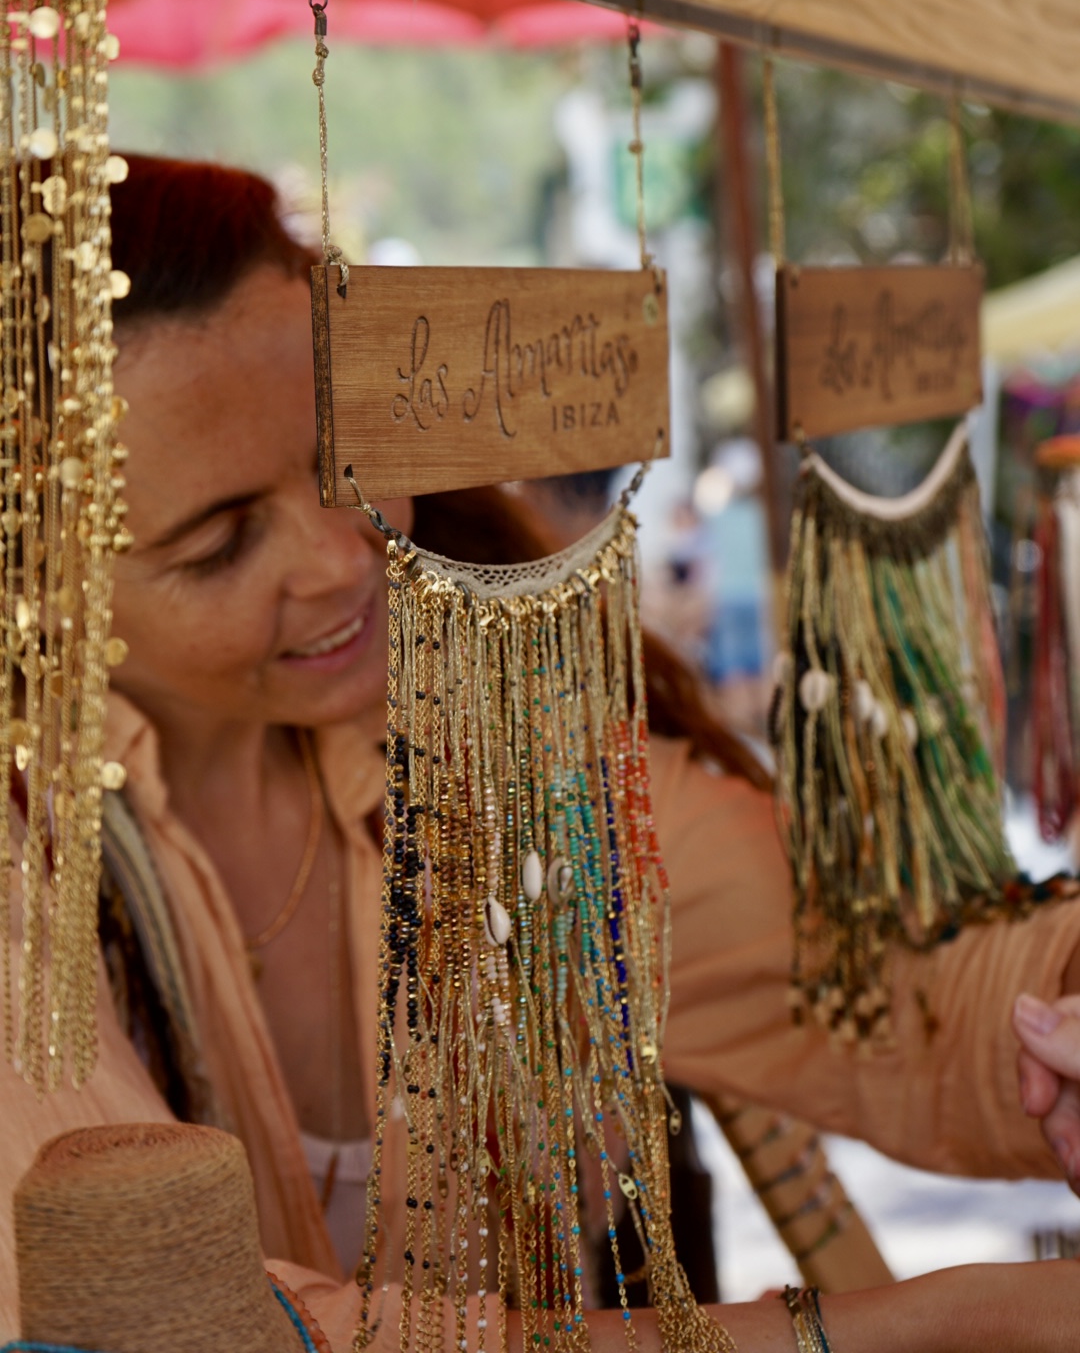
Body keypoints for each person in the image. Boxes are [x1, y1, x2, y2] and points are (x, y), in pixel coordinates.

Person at [4, 154, 1080, 1352]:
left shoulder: (475, 733)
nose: (348, 555)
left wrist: (1066, 994)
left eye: (346, 455)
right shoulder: (26, 858)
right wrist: (913, 1325)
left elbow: (891, 985)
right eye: (219, 544)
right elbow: (183, 1329)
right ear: (33, 581)